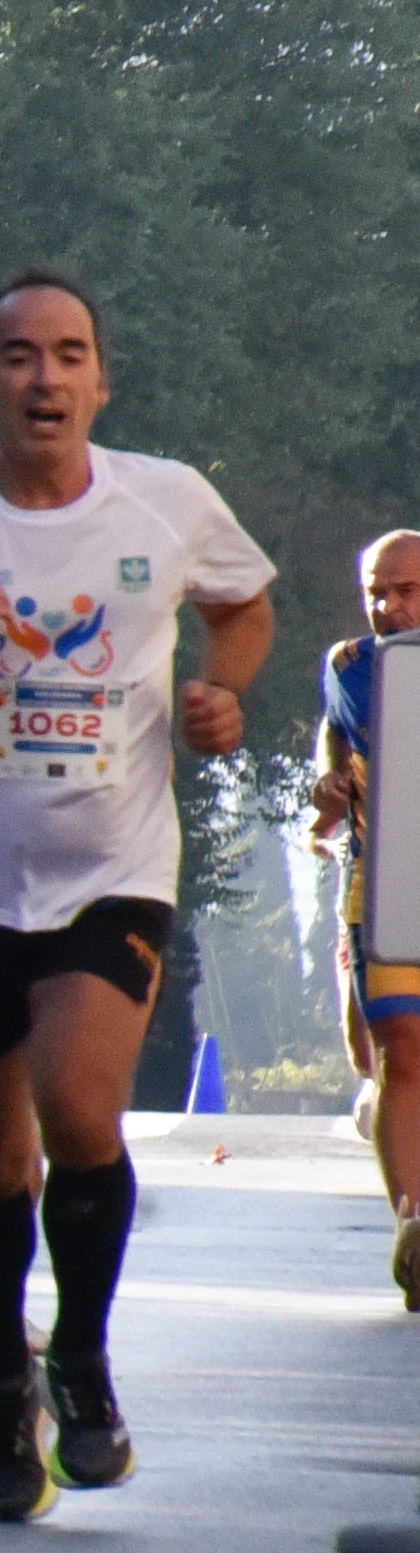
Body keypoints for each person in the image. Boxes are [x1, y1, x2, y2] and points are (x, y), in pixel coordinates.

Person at [0, 271, 273, 1523]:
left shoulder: (166, 501)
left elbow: (244, 606)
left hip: (110, 870)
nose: (46, 378)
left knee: (79, 1106)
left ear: (101, 381)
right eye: (19, 357)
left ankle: (79, 1356)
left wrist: (221, 689)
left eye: (70, 354)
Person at [310, 529, 420, 1304]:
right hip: (385, 878)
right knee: (390, 1051)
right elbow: (337, 731)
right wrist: (327, 785)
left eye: (408, 590)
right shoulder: (349, 665)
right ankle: (414, 1227)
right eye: (378, 593)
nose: (391, 606)